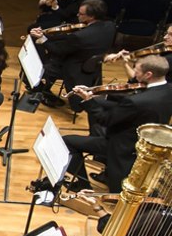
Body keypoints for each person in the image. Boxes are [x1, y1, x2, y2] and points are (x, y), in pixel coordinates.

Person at [64, 56, 172, 191]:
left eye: (136, 70)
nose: (134, 73)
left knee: (67, 142)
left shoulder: (136, 102)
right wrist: (94, 92)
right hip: (146, 142)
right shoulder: (167, 89)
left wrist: (88, 101)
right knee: (96, 125)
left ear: (148, 74)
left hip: (122, 146)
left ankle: (83, 186)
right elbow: (129, 104)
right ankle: (103, 168)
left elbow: (105, 119)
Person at [28, 0, 115, 108]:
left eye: (81, 14)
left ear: (91, 17)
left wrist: (42, 39)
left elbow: (58, 51)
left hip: (73, 68)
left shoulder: (79, 37)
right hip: (93, 65)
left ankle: (41, 90)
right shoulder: (110, 26)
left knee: (44, 59)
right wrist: (47, 35)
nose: (78, 15)